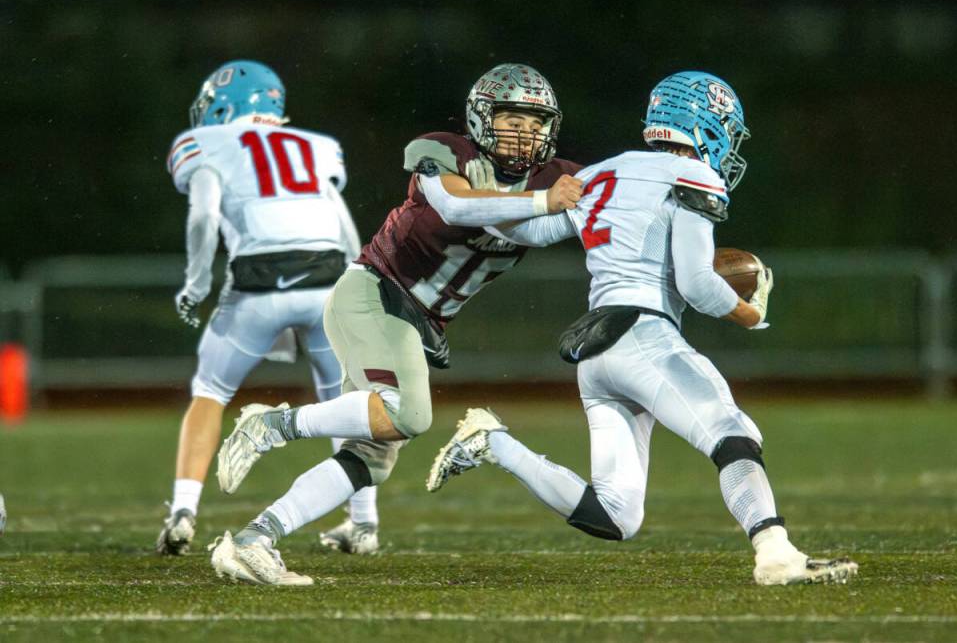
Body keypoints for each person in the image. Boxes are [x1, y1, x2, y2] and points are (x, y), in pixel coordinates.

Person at [425, 71, 859, 586]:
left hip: (596, 353)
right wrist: (750, 313)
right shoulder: (694, 176)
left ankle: (492, 443)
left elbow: (535, 230)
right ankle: (777, 554)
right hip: (642, 334)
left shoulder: (603, 172)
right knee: (732, 432)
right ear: (706, 124)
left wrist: (476, 204)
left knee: (615, 515)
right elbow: (697, 283)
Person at [209, 63, 584, 585]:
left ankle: (254, 539)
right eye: (511, 118)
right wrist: (545, 201)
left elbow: (567, 224)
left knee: (370, 461)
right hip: (376, 291)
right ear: (481, 118)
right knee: (410, 414)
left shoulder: (555, 177)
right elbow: (457, 205)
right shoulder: (445, 153)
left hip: (421, 319)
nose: (525, 132)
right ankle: (273, 426)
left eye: (536, 121)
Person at [156, 60, 366, 556]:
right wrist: (360, 284)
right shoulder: (316, 145)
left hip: (258, 283)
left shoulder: (207, 145)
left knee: (209, 391)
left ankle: (184, 511)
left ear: (226, 103)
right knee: (344, 401)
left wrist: (195, 281)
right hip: (329, 281)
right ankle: (364, 521)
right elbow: (345, 225)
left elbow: (204, 215)